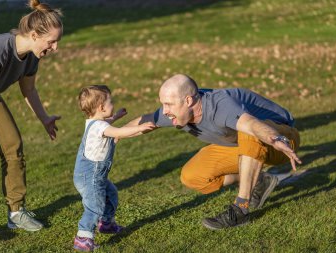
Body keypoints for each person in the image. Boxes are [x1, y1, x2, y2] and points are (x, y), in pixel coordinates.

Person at [125, 74, 302, 230]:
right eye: (163, 104)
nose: (165, 111)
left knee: (248, 132)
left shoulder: (220, 105)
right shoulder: (176, 111)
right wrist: (110, 133)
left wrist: (277, 139)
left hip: (281, 139)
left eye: (168, 104)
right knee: (192, 176)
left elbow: (251, 124)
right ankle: (259, 180)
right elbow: (147, 120)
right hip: (245, 146)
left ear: (188, 101)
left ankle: (241, 209)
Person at [0, 0, 63, 231]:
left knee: (13, 148)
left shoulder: (32, 56)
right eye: (51, 42)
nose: (55, 48)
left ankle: (16, 213)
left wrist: (44, 119)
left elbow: (29, 90)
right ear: (34, 35)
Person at [73, 85, 155, 252]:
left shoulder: (95, 123)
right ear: (102, 108)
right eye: (111, 102)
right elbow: (118, 132)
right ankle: (83, 238)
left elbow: (108, 124)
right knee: (94, 206)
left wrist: (116, 116)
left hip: (94, 175)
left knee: (111, 194)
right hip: (91, 176)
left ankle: (106, 224)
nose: (113, 104)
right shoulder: (100, 127)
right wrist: (139, 128)